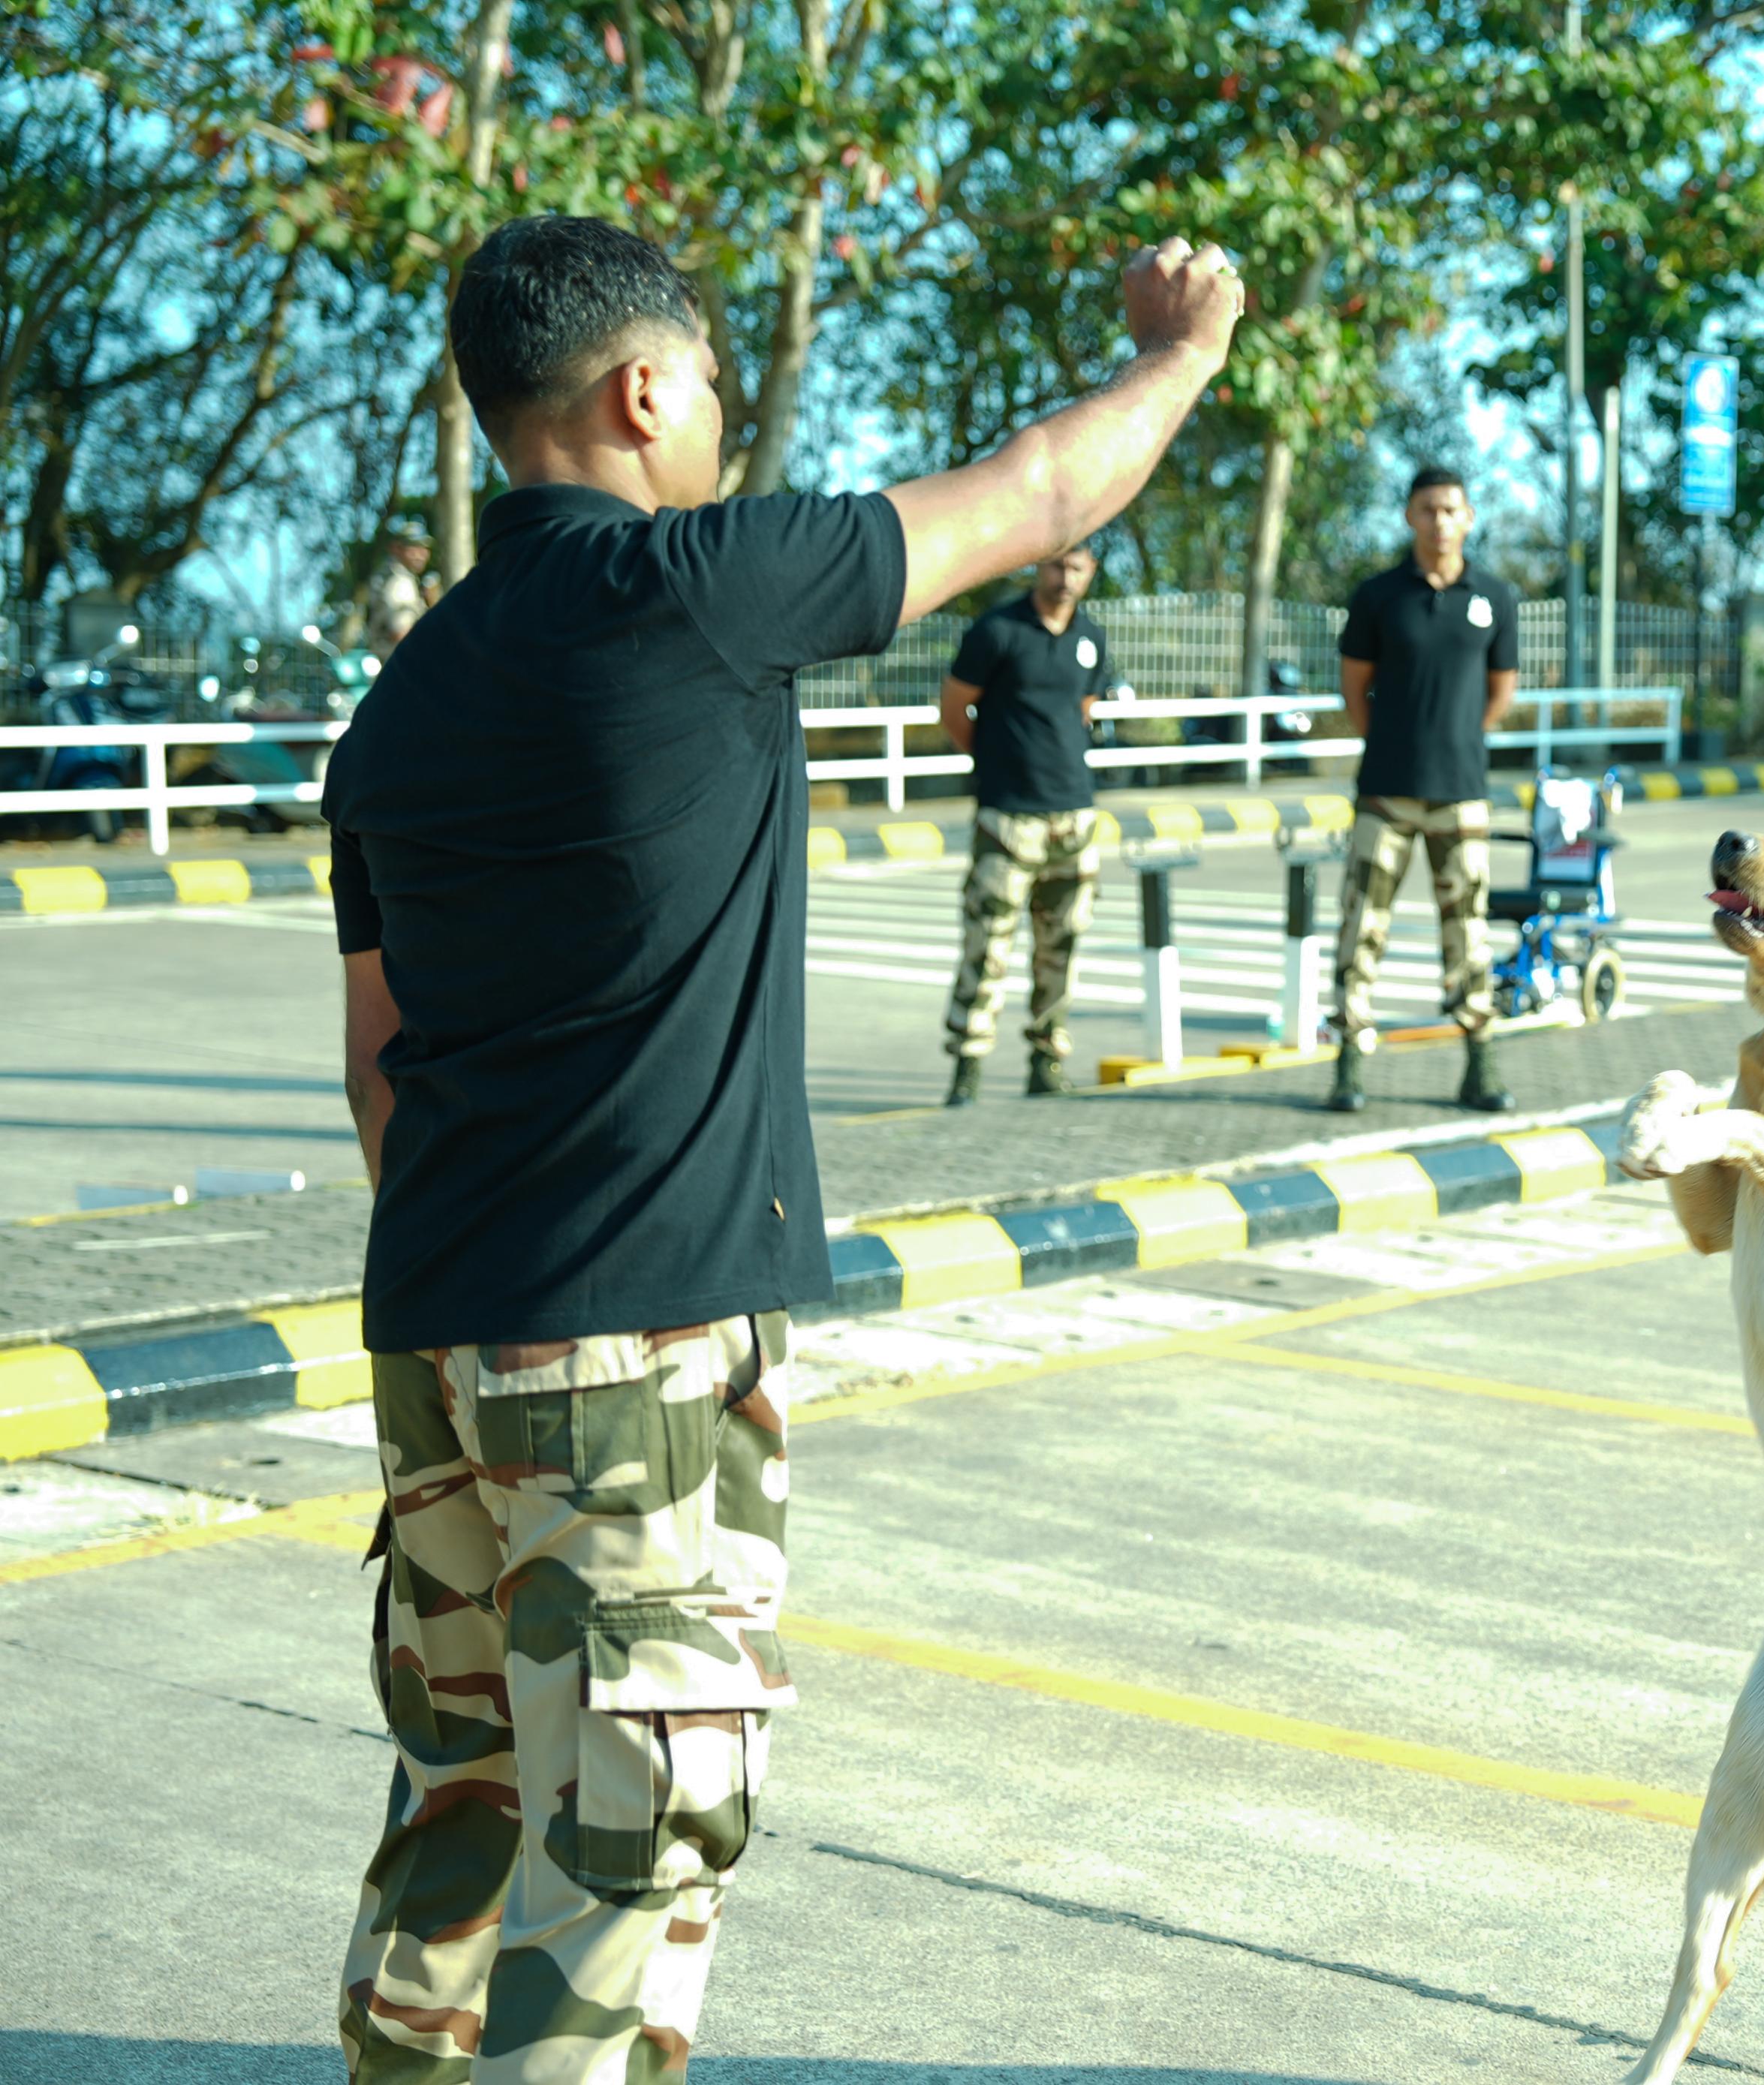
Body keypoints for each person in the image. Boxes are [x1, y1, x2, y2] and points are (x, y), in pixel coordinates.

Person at [319, 213, 1239, 2083]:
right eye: (713, 385)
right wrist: (1183, 353)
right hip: (630, 1340)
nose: (727, 423)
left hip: (436, 1333)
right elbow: (1042, 492)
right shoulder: (694, 585)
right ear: (641, 392)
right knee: (626, 1847)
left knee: (461, 1797)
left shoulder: (398, 707)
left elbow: (376, 1072)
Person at [1327, 465, 1523, 1115]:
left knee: (1468, 930)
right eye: (1428, 509)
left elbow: (1500, 692)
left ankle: (1479, 1064)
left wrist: (1457, 740)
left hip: (1461, 792)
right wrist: (1392, 744)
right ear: (1410, 516)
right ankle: (1349, 1059)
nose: (1439, 521)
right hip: (1385, 792)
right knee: (1362, 924)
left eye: (1450, 510)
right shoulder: (1378, 596)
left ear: (1469, 518)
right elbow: (1355, 688)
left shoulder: (1494, 597)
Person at [937, 544, 1125, 1103]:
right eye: (1056, 564)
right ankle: (968, 1066)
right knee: (987, 946)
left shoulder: (1091, 638)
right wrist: (995, 763)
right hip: (1007, 816)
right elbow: (955, 709)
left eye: (1077, 567)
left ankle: (1047, 1059)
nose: (1065, 577)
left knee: (1061, 946)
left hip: (1074, 816)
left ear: (1090, 573)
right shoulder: (997, 630)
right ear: (1037, 565)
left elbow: (1083, 710)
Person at [365, 527, 438, 652]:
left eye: (424, 548)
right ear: (396, 549)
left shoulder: (389, 575)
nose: (421, 554)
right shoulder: (400, 581)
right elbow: (401, 633)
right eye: (414, 547)